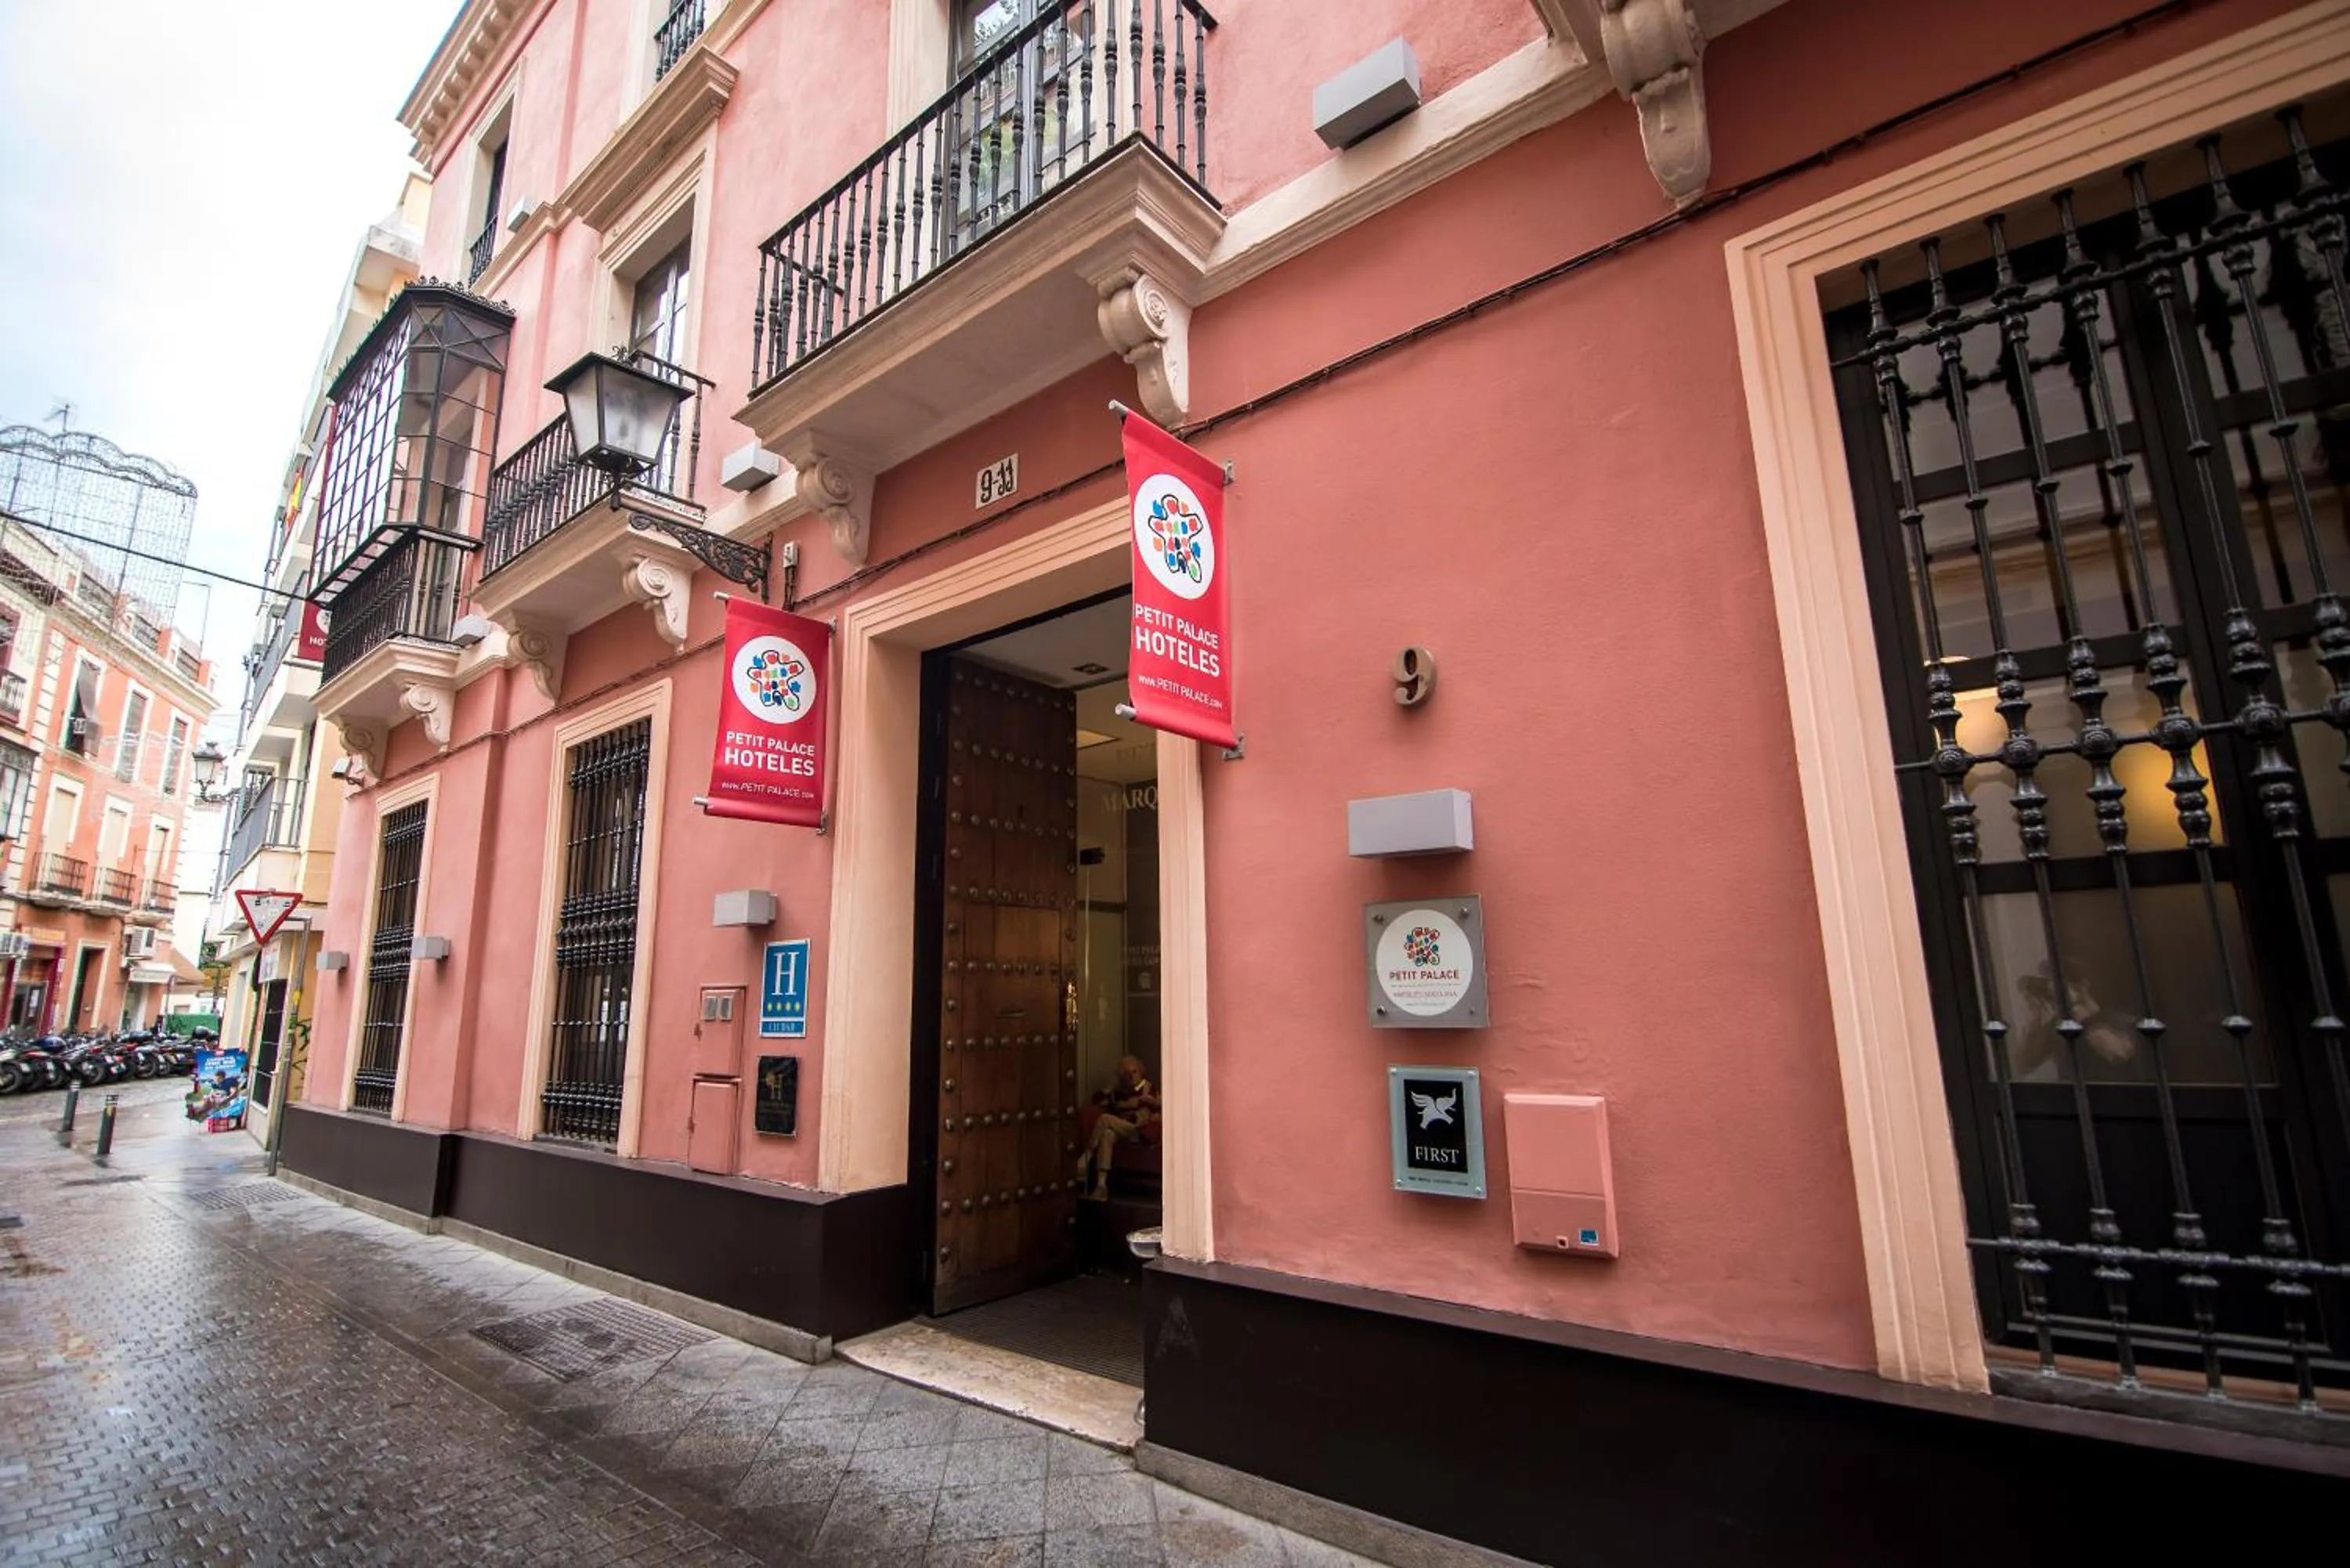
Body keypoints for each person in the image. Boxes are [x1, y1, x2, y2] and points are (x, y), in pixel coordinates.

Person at [1078, 1056, 1159, 1201]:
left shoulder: (1148, 1088)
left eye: (1134, 1072)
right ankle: (1101, 1186)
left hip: (1139, 1130)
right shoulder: (1118, 1091)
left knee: (1105, 1119)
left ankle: (1088, 1154)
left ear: (1141, 1071)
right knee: (1108, 1134)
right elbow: (1097, 1099)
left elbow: (1156, 1108)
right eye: (1126, 1074)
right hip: (1121, 1128)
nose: (1131, 1077)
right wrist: (1110, 1090)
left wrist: (1153, 1107)